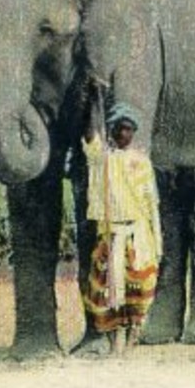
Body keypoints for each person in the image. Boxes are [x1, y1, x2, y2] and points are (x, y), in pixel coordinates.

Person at [81, 99, 162, 354]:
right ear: (113, 131)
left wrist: (157, 241)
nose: (123, 133)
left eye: (128, 128)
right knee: (112, 291)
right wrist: (94, 99)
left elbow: (152, 204)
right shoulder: (104, 160)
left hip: (138, 234)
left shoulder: (142, 162)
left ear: (133, 132)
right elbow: (90, 139)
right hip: (112, 233)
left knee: (137, 288)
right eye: (118, 128)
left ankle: (133, 338)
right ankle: (116, 340)